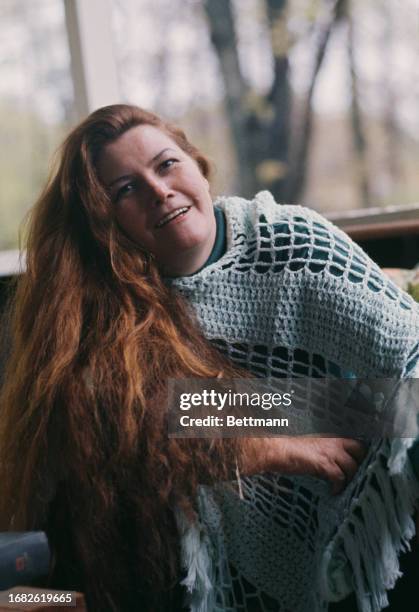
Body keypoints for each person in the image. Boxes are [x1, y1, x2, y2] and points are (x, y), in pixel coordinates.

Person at [0, 104, 418, 612]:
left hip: (344, 495)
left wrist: (244, 413)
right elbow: (117, 426)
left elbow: (409, 359)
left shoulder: (290, 241)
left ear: (198, 165)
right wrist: (266, 445)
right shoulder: (98, 299)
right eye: (125, 190)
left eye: (166, 164)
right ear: (103, 222)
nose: (158, 191)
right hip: (162, 560)